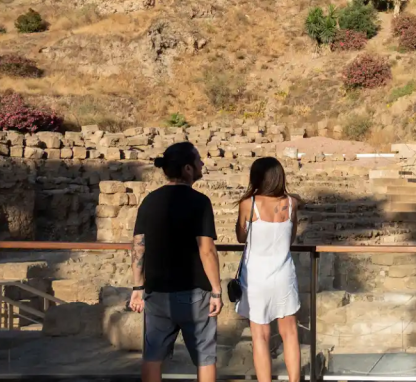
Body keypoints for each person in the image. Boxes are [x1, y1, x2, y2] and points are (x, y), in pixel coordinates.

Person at [129, 142, 223, 382]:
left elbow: (139, 246)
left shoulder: (149, 201)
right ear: (188, 169)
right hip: (194, 294)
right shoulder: (199, 202)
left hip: (157, 291)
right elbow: (207, 250)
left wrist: (138, 287)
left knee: (152, 356)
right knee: (205, 358)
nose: (203, 164)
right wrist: (216, 290)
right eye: (199, 160)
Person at [235, 157, 301, 382]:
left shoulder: (249, 204)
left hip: (256, 277)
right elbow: (290, 237)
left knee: (260, 336)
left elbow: (241, 236)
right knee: (290, 333)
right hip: (283, 274)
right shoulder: (291, 203)